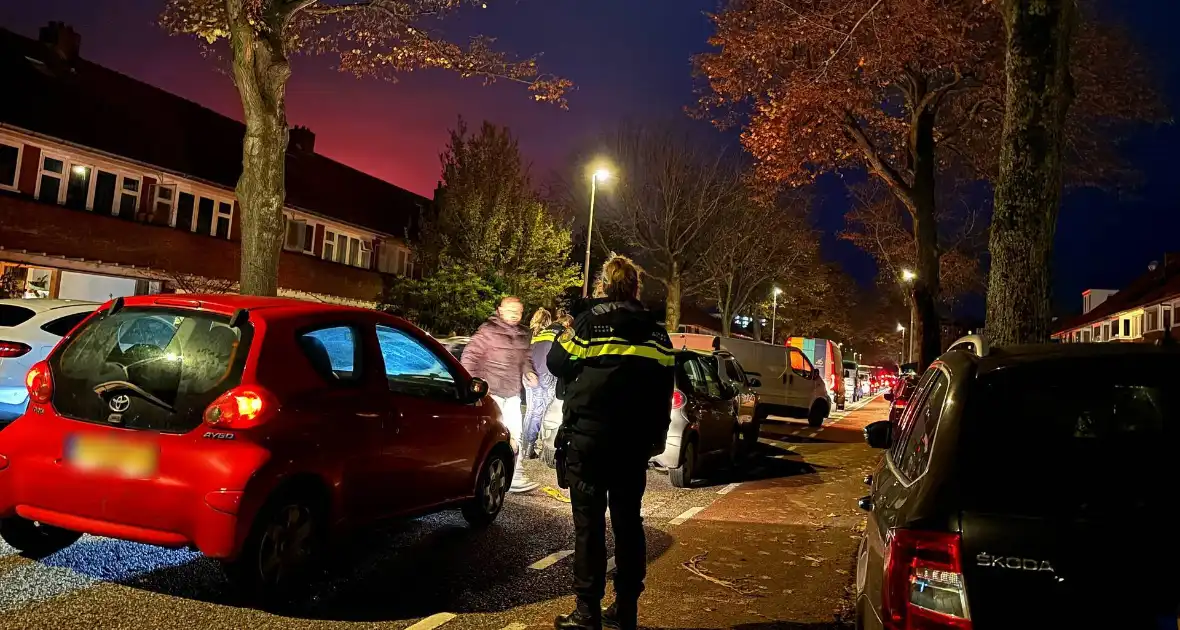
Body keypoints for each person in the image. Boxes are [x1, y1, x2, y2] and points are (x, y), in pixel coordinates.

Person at [547, 255, 676, 630]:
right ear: (636, 287)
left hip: (589, 439)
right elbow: (664, 389)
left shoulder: (589, 325)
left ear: (604, 284)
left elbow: (557, 362)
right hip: (633, 445)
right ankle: (626, 609)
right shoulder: (657, 333)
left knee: (589, 525)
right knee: (628, 523)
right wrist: (657, 437)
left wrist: (566, 326)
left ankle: (587, 612)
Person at [461, 296, 540, 493]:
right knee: (491, 438)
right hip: (491, 393)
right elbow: (470, 357)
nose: (514, 313)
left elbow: (526, 359)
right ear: (500, 310)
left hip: (512, 393)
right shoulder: (488, 331)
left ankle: (515, 475)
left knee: (515, 434)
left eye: (518, 311)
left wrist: (529, 371)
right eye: (510, 309)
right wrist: (473, 386)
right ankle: (486, 476)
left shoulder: (524, 334)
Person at [522, 308, 560, 459]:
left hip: (529, 375)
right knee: (546, 411)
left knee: (532, 410)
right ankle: (542, 447)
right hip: (546, 374)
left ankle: (527, 446)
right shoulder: (551, 333)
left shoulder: (528, 334)